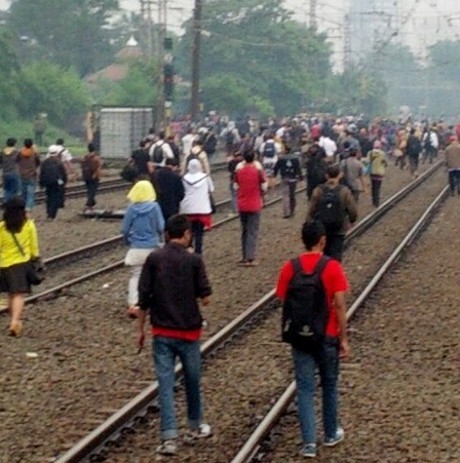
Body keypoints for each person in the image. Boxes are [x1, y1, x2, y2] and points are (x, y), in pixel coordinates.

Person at [137, 214, 212, 456]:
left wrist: (140, 330)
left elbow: (143, 299)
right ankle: (194, 425)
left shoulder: (154, 258)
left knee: (166, 384)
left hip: (162, 331)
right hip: (189, 331)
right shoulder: (194, 261)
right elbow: (206, 298)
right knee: (192, 380)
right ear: (187, 234)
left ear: (167, 235)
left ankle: (169, 437)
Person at [275, 220, 350, 458]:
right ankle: (330, 434)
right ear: (323, 241)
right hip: (326, 335)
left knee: (305, 389)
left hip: (300, 337)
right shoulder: (332, 267)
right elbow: (339, 304)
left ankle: (308, 443)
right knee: (329, 385)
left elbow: (282, 299)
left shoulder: (290, 267)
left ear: (303, 240)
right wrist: (343, 338)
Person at [121, 180, 164, 318]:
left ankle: (133, 304)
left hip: (136, 248)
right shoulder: (155, 207)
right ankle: (153, 302)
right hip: (152, 246)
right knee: (155, 276)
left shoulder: (131, 208)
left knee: (136, 276)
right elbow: (161, 227)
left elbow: (125, 229)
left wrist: (128, 241)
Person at [0, 197, 40, 336]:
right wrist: (35, 258)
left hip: (4, 265)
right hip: (21, 264)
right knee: (18, 294)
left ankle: (13, 319)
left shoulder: (2, 227)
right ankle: (15, 321)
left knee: (11, 294)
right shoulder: (28, 225)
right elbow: (34, 248)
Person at [307, 164, 357, 261]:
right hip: (339, 228)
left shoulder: (318, 190)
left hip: (321, 227)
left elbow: (311, 209)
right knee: (336, 253)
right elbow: (352, 209)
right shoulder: (344, 191)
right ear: (340, 175)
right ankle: (334, 272)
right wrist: (352, 220)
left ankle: (323, 271)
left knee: (322, 253)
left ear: (326, 175)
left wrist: (309, 223)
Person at [233, 150, 268, 266]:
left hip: (242, 204)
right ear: (254, 158)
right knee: (252, 231)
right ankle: (250, 258)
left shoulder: (239, 171)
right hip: (254, 204)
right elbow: (264, 184)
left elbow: (235, 185)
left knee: (244, 230)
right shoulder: (257, 171)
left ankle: (244, 256)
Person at [179, 159, 214, 255]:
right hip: (202, 209)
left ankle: (189, 249)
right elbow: (211, 189)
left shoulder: (184, 178)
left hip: (188, 209)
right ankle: (198, 252)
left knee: (189, 232)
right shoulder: (205, 177)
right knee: (199, 233)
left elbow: (182, 191)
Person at [39, 145, 68, 220]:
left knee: (49, 196)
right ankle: (52, 214)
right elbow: (63, 173)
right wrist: (64, 182)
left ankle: (48, 212)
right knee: (55, 197)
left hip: (48, 182)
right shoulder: (58, 161)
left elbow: (42, 173)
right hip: (57, 181)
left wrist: (41, 183)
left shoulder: (45, 162)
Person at [151, 157, 185, 222]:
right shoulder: (176, 177)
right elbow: (181, 194)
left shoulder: (155, 174)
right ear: (174, 166)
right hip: (172, 207)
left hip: (157, 205)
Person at [273, 145, 303, 218]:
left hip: (285, 178)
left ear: (285, 150)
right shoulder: (295, 159)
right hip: (293, 178)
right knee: (292, 195)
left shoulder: (281, 159)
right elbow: (298, 168)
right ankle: (292, 211)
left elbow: (276, 168)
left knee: (285, 196)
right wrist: (300, 177)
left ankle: (286, 213)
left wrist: (274, 175)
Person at [17, 138, 40, 213]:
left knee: (23, 193)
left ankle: (22, 206)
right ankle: (28, 208)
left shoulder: (20, 153)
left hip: (22, 175)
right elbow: (38, 163)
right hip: (31, 175)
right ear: (31, 145)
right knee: (30, 193)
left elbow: (16, 160)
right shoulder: (34, 154)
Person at [80, 143, 102, 212]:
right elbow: (98, 168)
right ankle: (89, 204)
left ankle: (91, 203)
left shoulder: (84, 157)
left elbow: (82, 166)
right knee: (93, 191)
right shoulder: (96, 158)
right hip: (94, 176)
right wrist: (96, 175)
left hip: (86, 176)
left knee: (89, 190)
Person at [365, 140, 387, 207]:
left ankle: (374, 201)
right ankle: (377, 201)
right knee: (378, 187)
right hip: (380, 172)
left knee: (373, 186)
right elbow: (385, 163)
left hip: (372, 172)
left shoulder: (370, 153)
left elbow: (367, 161)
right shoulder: (383, 153)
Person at [1, 138, 21, 202]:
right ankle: (12, 206)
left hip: (5, 173)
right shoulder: (16, 152)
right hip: (14, 173)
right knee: (15, 191)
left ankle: (6, 204)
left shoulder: (2, 152)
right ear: (14, 144)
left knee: (7, 190)